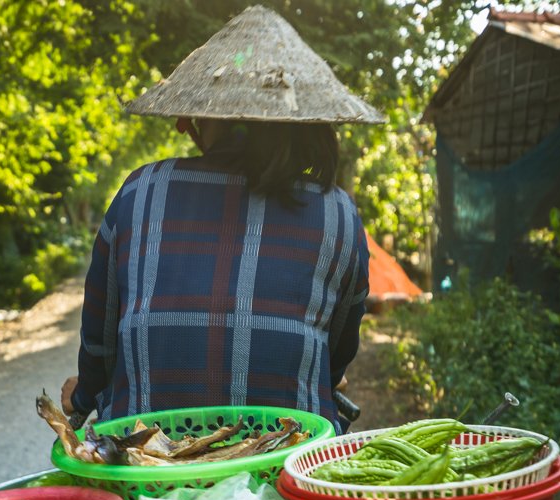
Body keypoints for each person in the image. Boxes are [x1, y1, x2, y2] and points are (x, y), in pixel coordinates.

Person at [60, 6, 382, 433]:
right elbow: (337, 351)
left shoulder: (141, 192)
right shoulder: (339, 213)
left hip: (148, 465)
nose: (183, 126)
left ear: (207, 117)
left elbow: (100, 347)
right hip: (288, 467)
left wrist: (83, 396)